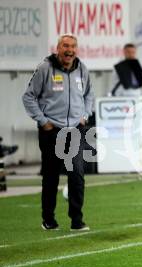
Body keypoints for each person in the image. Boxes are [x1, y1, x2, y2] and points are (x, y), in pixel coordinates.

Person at [22, 34, 93, 231]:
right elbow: (28, 97)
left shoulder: (82, 68)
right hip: (52, 131)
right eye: (65, 46)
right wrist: (43, 122)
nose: (69, 50)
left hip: (76, 130)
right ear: (58, 48)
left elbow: (89, 95)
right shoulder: (45, 68)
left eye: (72, 46)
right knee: (51, 176)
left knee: (77, 174)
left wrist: (85, 115)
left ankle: (77, 221)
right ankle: (49, 219)